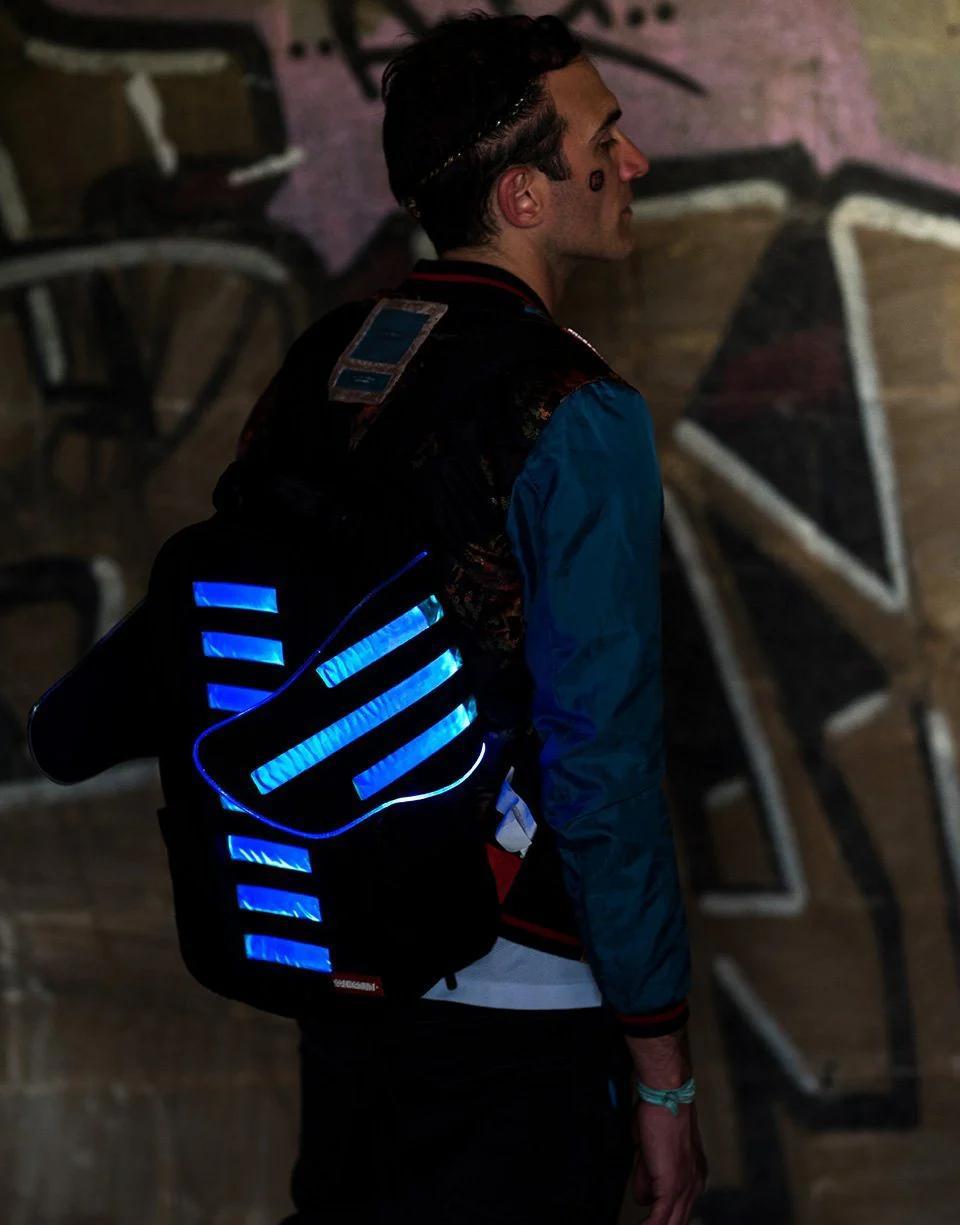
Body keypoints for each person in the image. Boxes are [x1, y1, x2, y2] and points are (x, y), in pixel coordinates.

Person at [245, 12, 706, 1225]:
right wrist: (663, 1071)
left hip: (344, 972)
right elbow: (600, 765)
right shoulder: (577, 409)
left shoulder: (322, 363)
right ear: (522, 194)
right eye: (605, 141)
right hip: (522, 1012)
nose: (635, 162)